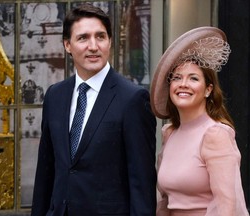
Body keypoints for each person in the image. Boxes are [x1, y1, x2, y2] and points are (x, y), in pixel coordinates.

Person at [31, 3, 157, 216]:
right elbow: (46, 171)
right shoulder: (55, 96)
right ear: (67, 45)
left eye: (100, 37)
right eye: (83, 38)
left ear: (109, 42)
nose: (93, 46)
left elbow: (142, 184)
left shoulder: (133, 99)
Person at [150, 26, 249, 216]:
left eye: (193, 78)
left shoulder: (215, 134)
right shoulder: (170, 134)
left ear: (208, 90)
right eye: (177, 78)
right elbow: (166, 202)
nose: (183, 84)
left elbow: (226, 205)